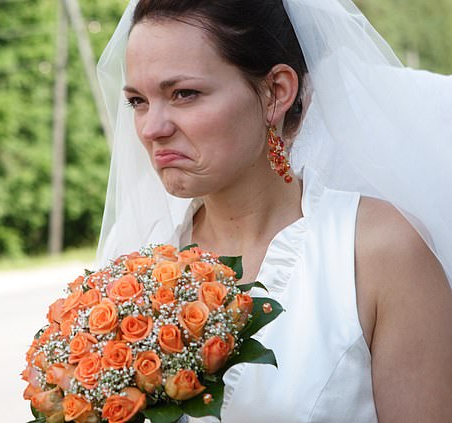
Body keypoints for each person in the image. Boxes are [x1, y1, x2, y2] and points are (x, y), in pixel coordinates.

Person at [95, 0, 452, 422]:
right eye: (137, 100)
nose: (152, 128)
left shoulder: (379, 253)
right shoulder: (136, 255)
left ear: (276, 92)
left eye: (184, 94)